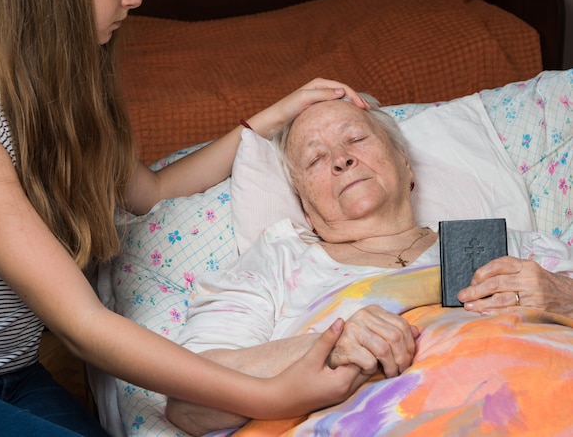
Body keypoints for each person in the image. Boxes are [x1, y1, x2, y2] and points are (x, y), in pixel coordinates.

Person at [0, 0, 372, 435]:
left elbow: (152, 190)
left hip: (13, 369)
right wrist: (269, 393)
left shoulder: (64, 91)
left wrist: (271, 118)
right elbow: (81, 325)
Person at [167, 94, 573, 436]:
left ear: (405, 163)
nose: (341, 160)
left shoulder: (515, 245)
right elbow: (188, 404)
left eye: (356, 139)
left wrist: (566, 296)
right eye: (315, 160)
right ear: (306, 206)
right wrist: (326, 347)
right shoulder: (278, 262)